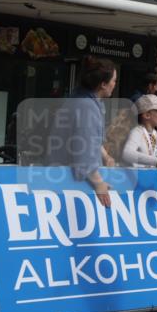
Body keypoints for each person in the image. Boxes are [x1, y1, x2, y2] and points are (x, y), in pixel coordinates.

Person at [47, 59, 117, 208]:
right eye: (114, 81)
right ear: (103, 84)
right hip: (69, 185)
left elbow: (89, 140)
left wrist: (105, 156)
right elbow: (84, 153)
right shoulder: (87, 107)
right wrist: (99, 182)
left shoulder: (79, 101)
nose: (114, 84)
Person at [118, 95, 157, 177]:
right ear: (146, 115)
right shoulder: (137, 132)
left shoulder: (154, 133)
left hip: (145, 179)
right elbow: (127, 154)